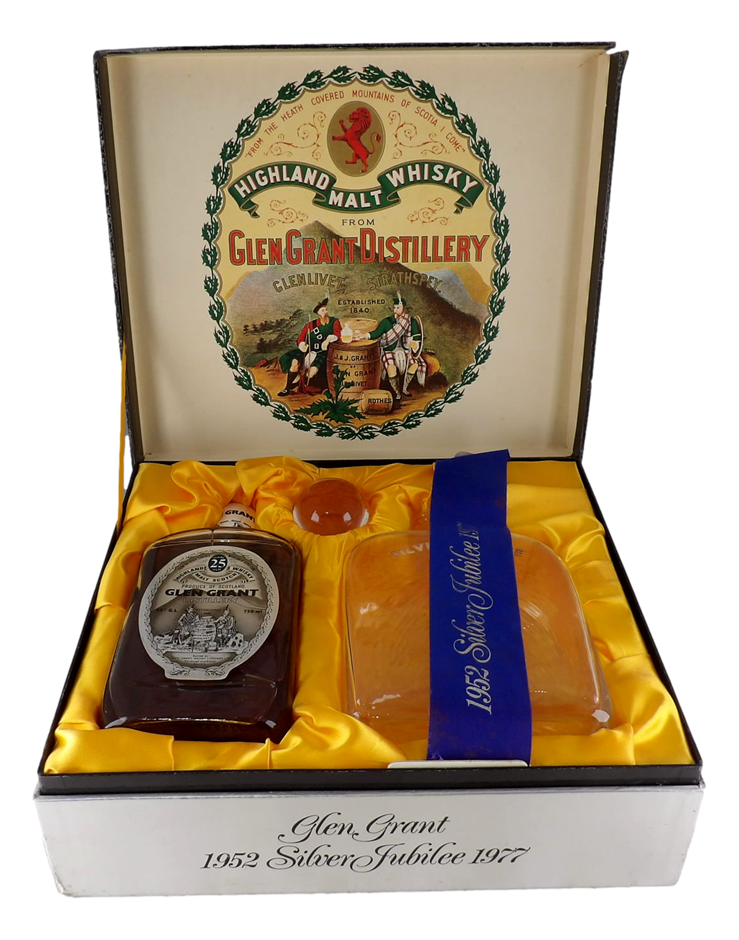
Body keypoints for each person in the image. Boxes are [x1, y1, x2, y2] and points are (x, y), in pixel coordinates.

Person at [355, 296, 426, 400]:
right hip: (389, 350)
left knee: (414, 365)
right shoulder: (387, 322)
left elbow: (416, 336)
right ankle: (397, 392)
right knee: (391, 368)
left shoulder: (411, 321)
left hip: (406, 350)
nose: (395, 310)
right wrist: (364, 335)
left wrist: (414, 343)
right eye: (394, 307)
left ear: (404, 308)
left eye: (398, 308)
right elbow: (377, 333)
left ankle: (404, 388)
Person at [278, 298, 341, 396]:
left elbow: (338, 334)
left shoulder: (334, 321)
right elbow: (300, 339)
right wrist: (302, 345)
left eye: (326, 310)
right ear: (318, 313)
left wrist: (328, 340)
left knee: (312, 372)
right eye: (322, 310)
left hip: (323, 353)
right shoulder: (310, 325)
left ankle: (301, 384)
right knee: (294, 362)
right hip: (309, 350)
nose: (325, 312)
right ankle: (287, 388)